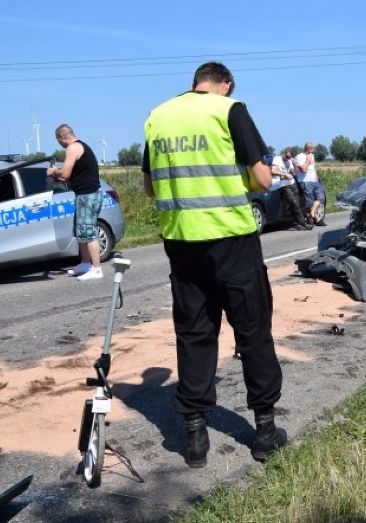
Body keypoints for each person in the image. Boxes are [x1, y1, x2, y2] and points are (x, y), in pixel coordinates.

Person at [142, 61, 287, 467]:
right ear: (225, 85)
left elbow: (150, 186)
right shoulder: (230, 109)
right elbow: (262, 181)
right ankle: (264, 432)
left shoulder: (158, 116)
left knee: (194, 334)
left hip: (182, 241)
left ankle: (194, 439)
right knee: (253, 331)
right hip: (231, 240)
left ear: (194, 84)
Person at [47, 124, 104, 281]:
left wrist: (55, 171)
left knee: (88, 232)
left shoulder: (73, 148)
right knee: (81, 232)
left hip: (88, 196)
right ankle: (85, 264)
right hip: (83, 195)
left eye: (58, 140)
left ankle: (97, 268)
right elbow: (67, 177)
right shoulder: (80, 146)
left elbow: (65, 173)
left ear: (61, 137)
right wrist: (55, 176)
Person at [271, 151, 312, 230]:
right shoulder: (277, 159)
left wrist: (294, 164)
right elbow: (273, 170)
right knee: (293, 203)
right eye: (286, 156)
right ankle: (303, 222)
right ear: (283, 153)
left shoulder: (289, 161)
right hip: (283, 184)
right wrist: (285, 174)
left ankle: (296, 224)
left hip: (292, 183)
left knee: (296, 203)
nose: (287, 158)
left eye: (289, 157)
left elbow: (294, 173)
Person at [293, 141, 326, 225]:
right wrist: (307, 159)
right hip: (305, 181)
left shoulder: (312, 156)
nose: (314, 150)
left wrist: (317, 178)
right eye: (313, 148)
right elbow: (303, 170)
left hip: (314, 180)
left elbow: (313, 168)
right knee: (310, 201)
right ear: (308, 148)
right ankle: (314, 218)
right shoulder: (299, 157)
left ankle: (312, 213)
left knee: (321, 198)